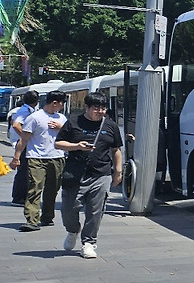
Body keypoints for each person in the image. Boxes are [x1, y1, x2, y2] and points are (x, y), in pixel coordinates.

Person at [55, 92, 123, 259]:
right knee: (69, 210)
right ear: (86, 107)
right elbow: (58, 143)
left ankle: (89, 243)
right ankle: (73, 230)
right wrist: (77, 146)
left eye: (103, 108)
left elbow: (116, 150)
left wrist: (118, 171)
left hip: (101, 173)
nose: (100, 112)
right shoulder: (73, 122)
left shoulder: (110, 126)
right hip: (75, 174)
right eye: (96, 108)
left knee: (95, 211)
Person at [15, 91, 67, 231]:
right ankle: (32, 220)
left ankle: (47, 217)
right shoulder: (34, 117)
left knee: (52, 189)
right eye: (62, 103)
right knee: (35, 187)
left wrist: (60, 128)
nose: (62, 106)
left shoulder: (62, 118)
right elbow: (24, 139)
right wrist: (16, 157)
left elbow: (70, 136)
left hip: (57, 157)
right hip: (36, 158)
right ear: (55, 103)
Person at [8, 91, 39, 204]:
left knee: (25, 170)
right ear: (36, 101)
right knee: (23, 170)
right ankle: (19, 196)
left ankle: (21, 195)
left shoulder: (26, 110)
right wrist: (26, 137)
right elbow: (16, 125)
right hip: (23, 143)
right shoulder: (25, 111)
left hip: (23, 142)